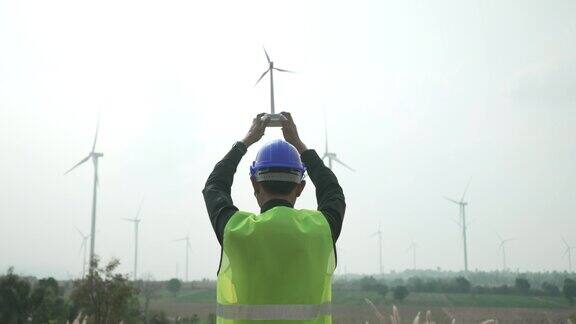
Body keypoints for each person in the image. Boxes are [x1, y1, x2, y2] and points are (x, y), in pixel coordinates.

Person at [202, 112, 345, 323]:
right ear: (300, 187)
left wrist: (246, 141)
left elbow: (214, 186)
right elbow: (333, 192)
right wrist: (299, 144)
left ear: (254, 183)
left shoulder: (235, 230)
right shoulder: (321, 229)